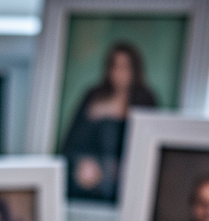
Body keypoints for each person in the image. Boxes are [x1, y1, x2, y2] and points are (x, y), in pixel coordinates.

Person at [60, 42, 159, 202]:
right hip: (92, 170)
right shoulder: (94, 95)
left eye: (124, 67)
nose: (118, 73)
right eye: (114, 66)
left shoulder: (145, 99)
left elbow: (148, 148)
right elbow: (71, 143)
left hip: (128, 172)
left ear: (134, 70)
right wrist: (85, 162)